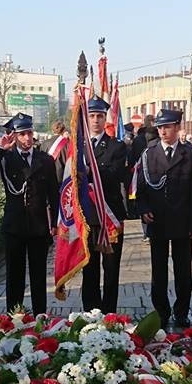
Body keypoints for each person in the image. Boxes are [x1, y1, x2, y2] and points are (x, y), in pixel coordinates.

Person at [0, 112, 59, 315]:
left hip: (39, 227)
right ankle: (14, 319)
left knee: (39, 276)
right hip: (14, 226)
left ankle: (40, 316)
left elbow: (53, 192)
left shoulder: (45, 160)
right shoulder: (6, 158)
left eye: (29, 133)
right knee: (14, 276)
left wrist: (56, 223)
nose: (27, 138)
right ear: (14, 136)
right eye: (22, 134)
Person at [136, 109, 192, 329]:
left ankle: (181, 312)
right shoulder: (149, 154)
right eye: (160, 127)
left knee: (183, 270)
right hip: (158, 220)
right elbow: (141, 187)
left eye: (168, 127)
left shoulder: (190, 155)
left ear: (177, 128)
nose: (163, 131)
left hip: (182, 221)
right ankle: (161, 312)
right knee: (159, 271)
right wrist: (143, 209)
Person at [81, 96, 127, 313]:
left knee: (111, 267)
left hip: (110, 215)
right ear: (86, 118)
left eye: (100, 116)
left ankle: (109, 313)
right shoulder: (78, 146)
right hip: (87, 216)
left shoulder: (116, 146)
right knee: (88, 267)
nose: (96, 120)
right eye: (92, 116)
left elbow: (116, 174)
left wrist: (91, 172)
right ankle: (90, 311)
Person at [43, 119, 69, 185]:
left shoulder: (44, 143)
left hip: (47, 180)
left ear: (52, 130)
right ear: (64, 130)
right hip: (62, 182)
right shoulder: (67, 143)